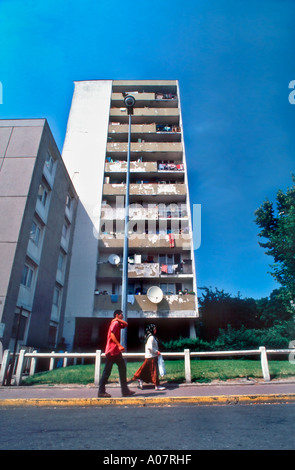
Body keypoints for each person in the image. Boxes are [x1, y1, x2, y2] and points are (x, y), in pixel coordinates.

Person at [98, 309, 135, 398]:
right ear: (117, 315)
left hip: (116, 352)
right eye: (121, 315)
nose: (122, 316)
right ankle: (101, 392)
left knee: (122, 369)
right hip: (111, 351)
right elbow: (112, 335)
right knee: (107, 372)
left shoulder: (117, 323)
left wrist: (117, 319)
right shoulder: (114, 324)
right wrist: (119, 345)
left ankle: (125, 391)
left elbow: (126, 324)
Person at [133, 324, 166, 391]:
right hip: (151, 357)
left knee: (146, 370)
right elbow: (150, 347)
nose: (155, 330)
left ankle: (140, 379)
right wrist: (157, 352)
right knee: (154, 371)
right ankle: (157, 385)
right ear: (151, 330)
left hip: (149, 357)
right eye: (154, 329)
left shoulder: (149, 336)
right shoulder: (151, 337)